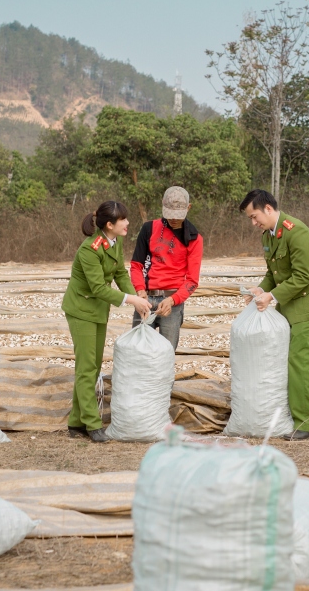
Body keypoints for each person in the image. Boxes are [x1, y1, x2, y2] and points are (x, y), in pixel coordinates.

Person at [241, 189, 309, 441]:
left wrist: (272, 296)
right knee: (282, 359)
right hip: (288, 304)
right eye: (250, 218)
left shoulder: (297, 232)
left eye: (254, 216)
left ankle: (308, 423)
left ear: (268, 209)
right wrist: (261, 288)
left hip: (307, 304)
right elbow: (275, 273)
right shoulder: (269, 236)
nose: (253, 222)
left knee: (298, 361)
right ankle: (288, 415)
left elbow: (302, 276)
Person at [62, 201, 151, 442]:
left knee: (93, 365)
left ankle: (76, 422)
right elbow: (99, 287)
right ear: (109, 225)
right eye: (123, 220)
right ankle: (92, 424)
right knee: (87, 367)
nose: (128, 223)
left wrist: (136, 294)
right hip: (82, 310)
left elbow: (120, 272)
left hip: (98, 310)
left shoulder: (115, 240)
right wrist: (131, 300)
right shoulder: (89, 249)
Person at [129, 187, 203, 349]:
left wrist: (172, 300)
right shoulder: (149, 228)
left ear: (188, 208)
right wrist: (140, 291)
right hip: (146, 299)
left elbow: (192, 281)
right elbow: (136, 265)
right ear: (162, 206)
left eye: (178, 215)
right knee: (137, 349)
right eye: (169, 214)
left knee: (166, 352)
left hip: (173, 303)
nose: (174, 219)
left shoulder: (194, 238)